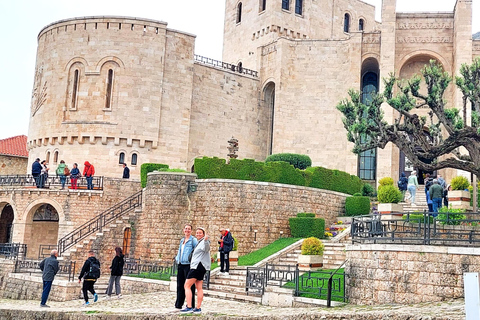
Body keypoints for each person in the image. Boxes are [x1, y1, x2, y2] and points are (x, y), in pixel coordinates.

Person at [181, 227, 210, 315]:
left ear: (203, 234)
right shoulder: (199, 242)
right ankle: (198, 308)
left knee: (187, 285)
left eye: (200, 233)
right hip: (200, 267)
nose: (198, 234)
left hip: (197, 267)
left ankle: (189, 306)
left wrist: (205, 240)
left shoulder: (204, 242)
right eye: (197, 233)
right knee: (199, 287)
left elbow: (206, 248)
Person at [175, 224, 198, 310]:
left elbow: (197, 250)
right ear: (183, 230)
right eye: (186, 229)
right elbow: (180, 250)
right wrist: (177, 259)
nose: (187, 230)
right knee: (180, 285)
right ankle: (179, 303)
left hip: (188, 265)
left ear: (191, 231)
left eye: (189, 229)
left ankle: (191, 304)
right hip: (181, 264)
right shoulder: (182, 240)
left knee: (189, 285)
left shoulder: (193, 240)